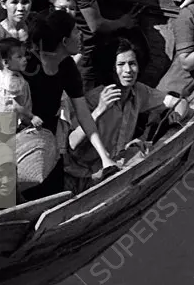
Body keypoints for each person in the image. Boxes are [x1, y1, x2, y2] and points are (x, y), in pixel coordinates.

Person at [24, 10, 119, 197]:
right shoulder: (28, 65)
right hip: (19, 134)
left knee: (49, 195)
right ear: (64, 41)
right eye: (76, 31)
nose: (81, 34)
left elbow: (83, 114)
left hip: (48, 136)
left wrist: (105, 157)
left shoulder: (67, 67)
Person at [66, 39, 185, 184]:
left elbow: (179, 102)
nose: (128, 70)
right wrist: (99, 111)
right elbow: (71, 143)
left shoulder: (139, 91)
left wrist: (176, 118)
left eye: (132, 64)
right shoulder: (93, 99)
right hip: (84, 174)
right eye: (121, 65)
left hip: (118, 168)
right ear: (111, 68)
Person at [0, 37, 43, 132]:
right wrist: (32, 117)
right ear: (6, 62)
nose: (25, 59)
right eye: (19, 57)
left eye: (24, 55)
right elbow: (17, 105)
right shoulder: (14, 82)